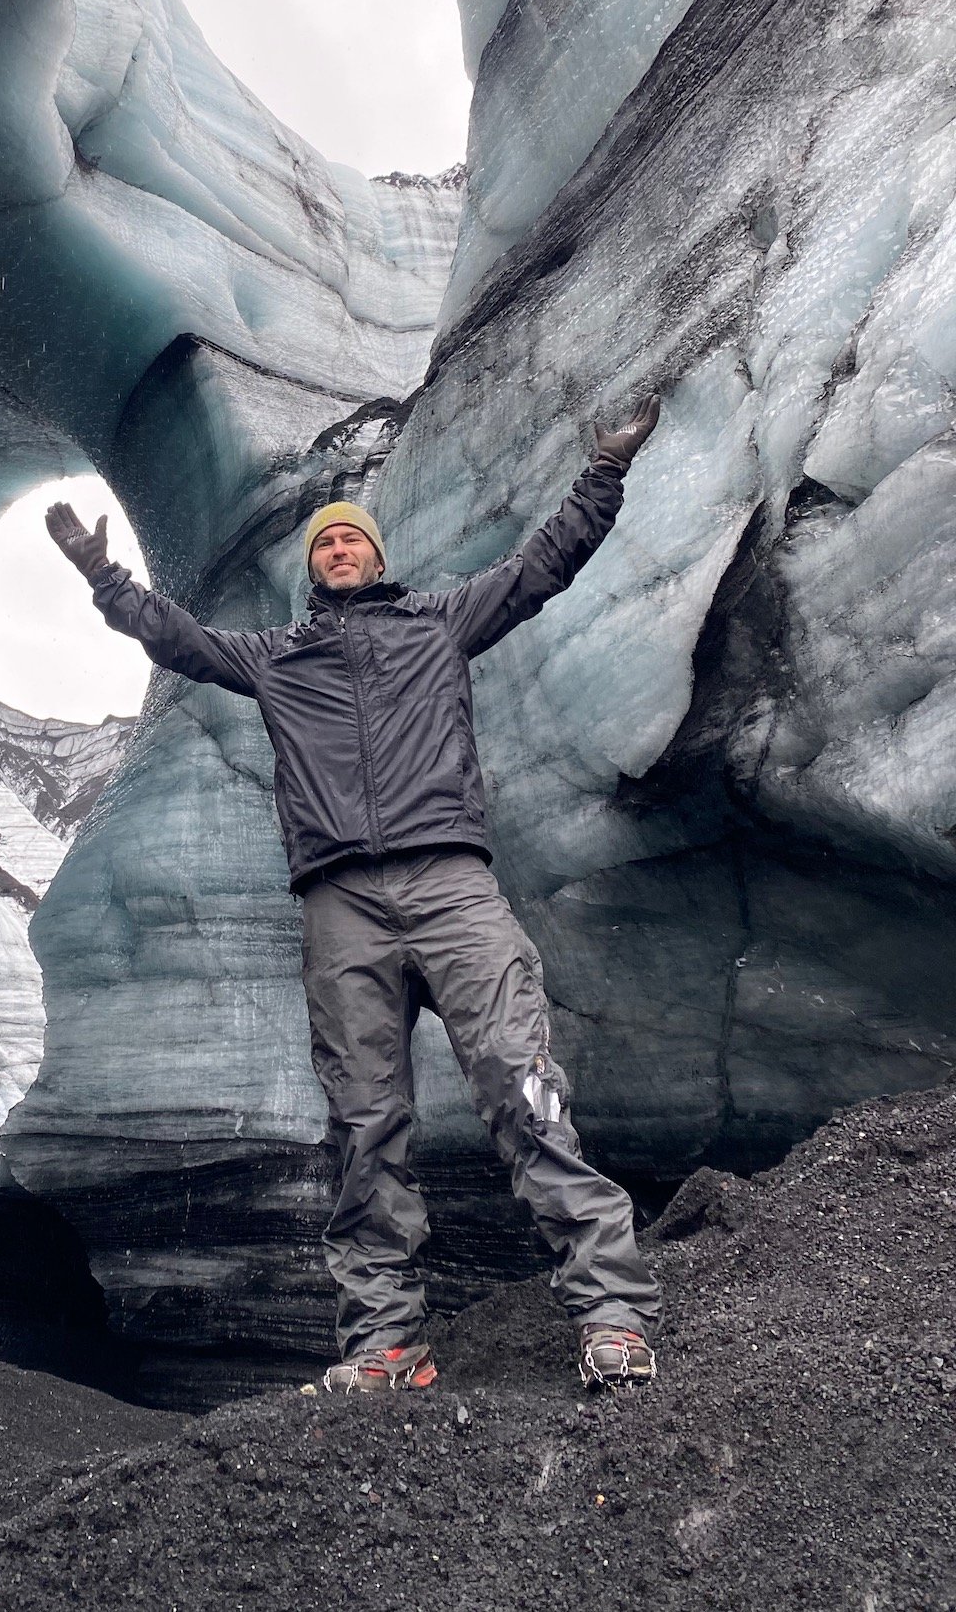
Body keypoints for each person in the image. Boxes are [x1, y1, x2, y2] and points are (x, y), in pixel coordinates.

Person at [44, 397, 663, 1396]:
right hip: (340, 906)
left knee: (519, 1082)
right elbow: (179, 639)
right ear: (313, 568)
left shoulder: (440, 621)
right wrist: (103, 578)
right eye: (325, 542)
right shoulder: (277, 658)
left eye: (351, 539)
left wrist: (602, 472)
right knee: (364, 1126)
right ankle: (386, 1345)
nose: (337, 549)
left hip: (450, 880)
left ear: (375, 558)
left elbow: (543, 565)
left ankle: (611, 1312)